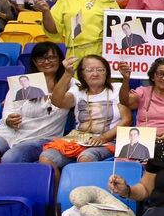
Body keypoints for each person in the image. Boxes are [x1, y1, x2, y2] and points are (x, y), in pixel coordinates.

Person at [0, 43, 69, 168]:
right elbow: (9, 109)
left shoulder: (70, 84)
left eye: (52, 58)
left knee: (11, 159)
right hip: (7, 133)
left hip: (41, 137)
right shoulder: (23, 81)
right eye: (41, 58)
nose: (47, 62)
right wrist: (8, 119)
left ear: (60, 60)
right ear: (35, 62)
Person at [39, 55, 131, 183]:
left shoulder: (117, 89)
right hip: (78, 139)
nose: (95, 73)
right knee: (46, 158)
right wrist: (67, 74)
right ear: (82, 74)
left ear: (107, 72)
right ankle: (56, 201)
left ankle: (82, 198)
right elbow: (57, 102)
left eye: (100, 70)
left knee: (85, 158)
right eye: (89, 70)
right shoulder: (77, 90)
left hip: (107, 141)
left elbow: (126, 121)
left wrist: (103, 137)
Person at [35, 0, 119, 60]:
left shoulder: (111, 3)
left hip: (103, 56)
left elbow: (120, 37)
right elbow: (53, 30)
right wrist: (45, 11)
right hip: (75, 56)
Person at [118, 58, 164, 151]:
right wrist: (126, 79)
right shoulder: (143, 91)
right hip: (143, 139)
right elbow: (125, 101)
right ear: (153, 76)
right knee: (123, 156)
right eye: (160, 73)